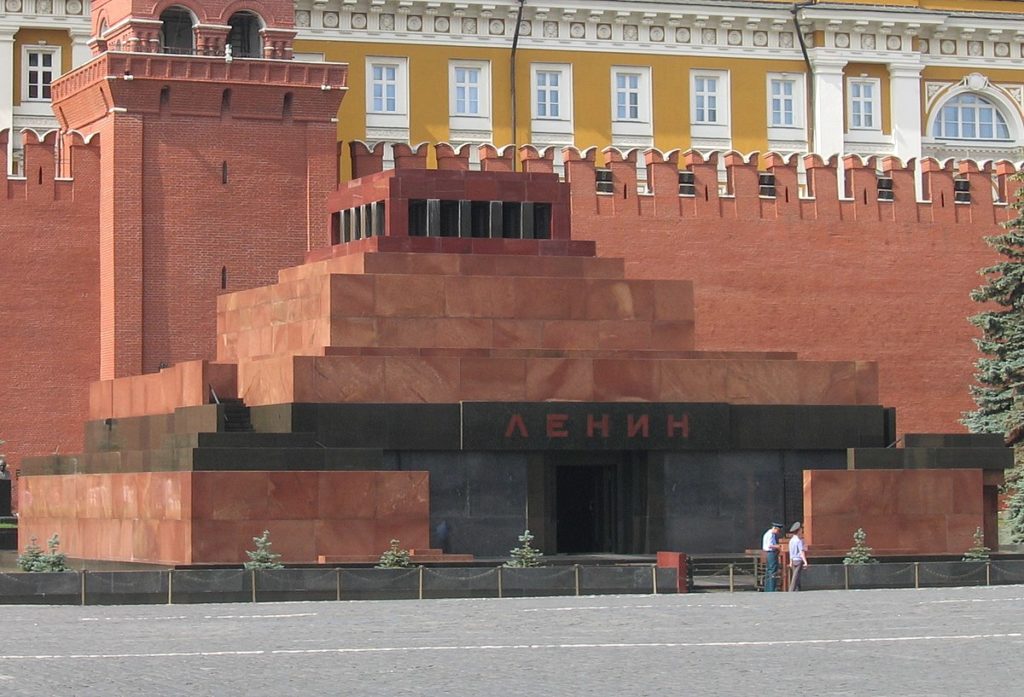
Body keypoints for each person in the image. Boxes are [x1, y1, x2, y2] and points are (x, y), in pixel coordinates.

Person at [761, 521, 783, 591]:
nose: (778, 532)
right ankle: (771, 588)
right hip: (771, 553)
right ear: (775, 528)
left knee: (769, 570)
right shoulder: (770, 534)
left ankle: (768, 588)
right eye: (778, 530)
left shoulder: (770, 534)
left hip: (769, 553)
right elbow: (770, 545)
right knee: (772, 571)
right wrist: (778, 546)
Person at [788, 522, 807, 592]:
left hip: (793, 560)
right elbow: (801, 552)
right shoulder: (798, 540)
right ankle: (791, 590)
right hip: (798, 560)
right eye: (801, 529)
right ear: (799, 530)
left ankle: (797, 590)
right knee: (795, 576)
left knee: (796, 575)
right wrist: (805, 561)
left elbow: (791, 552)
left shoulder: (791, 540)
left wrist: (790, 562)